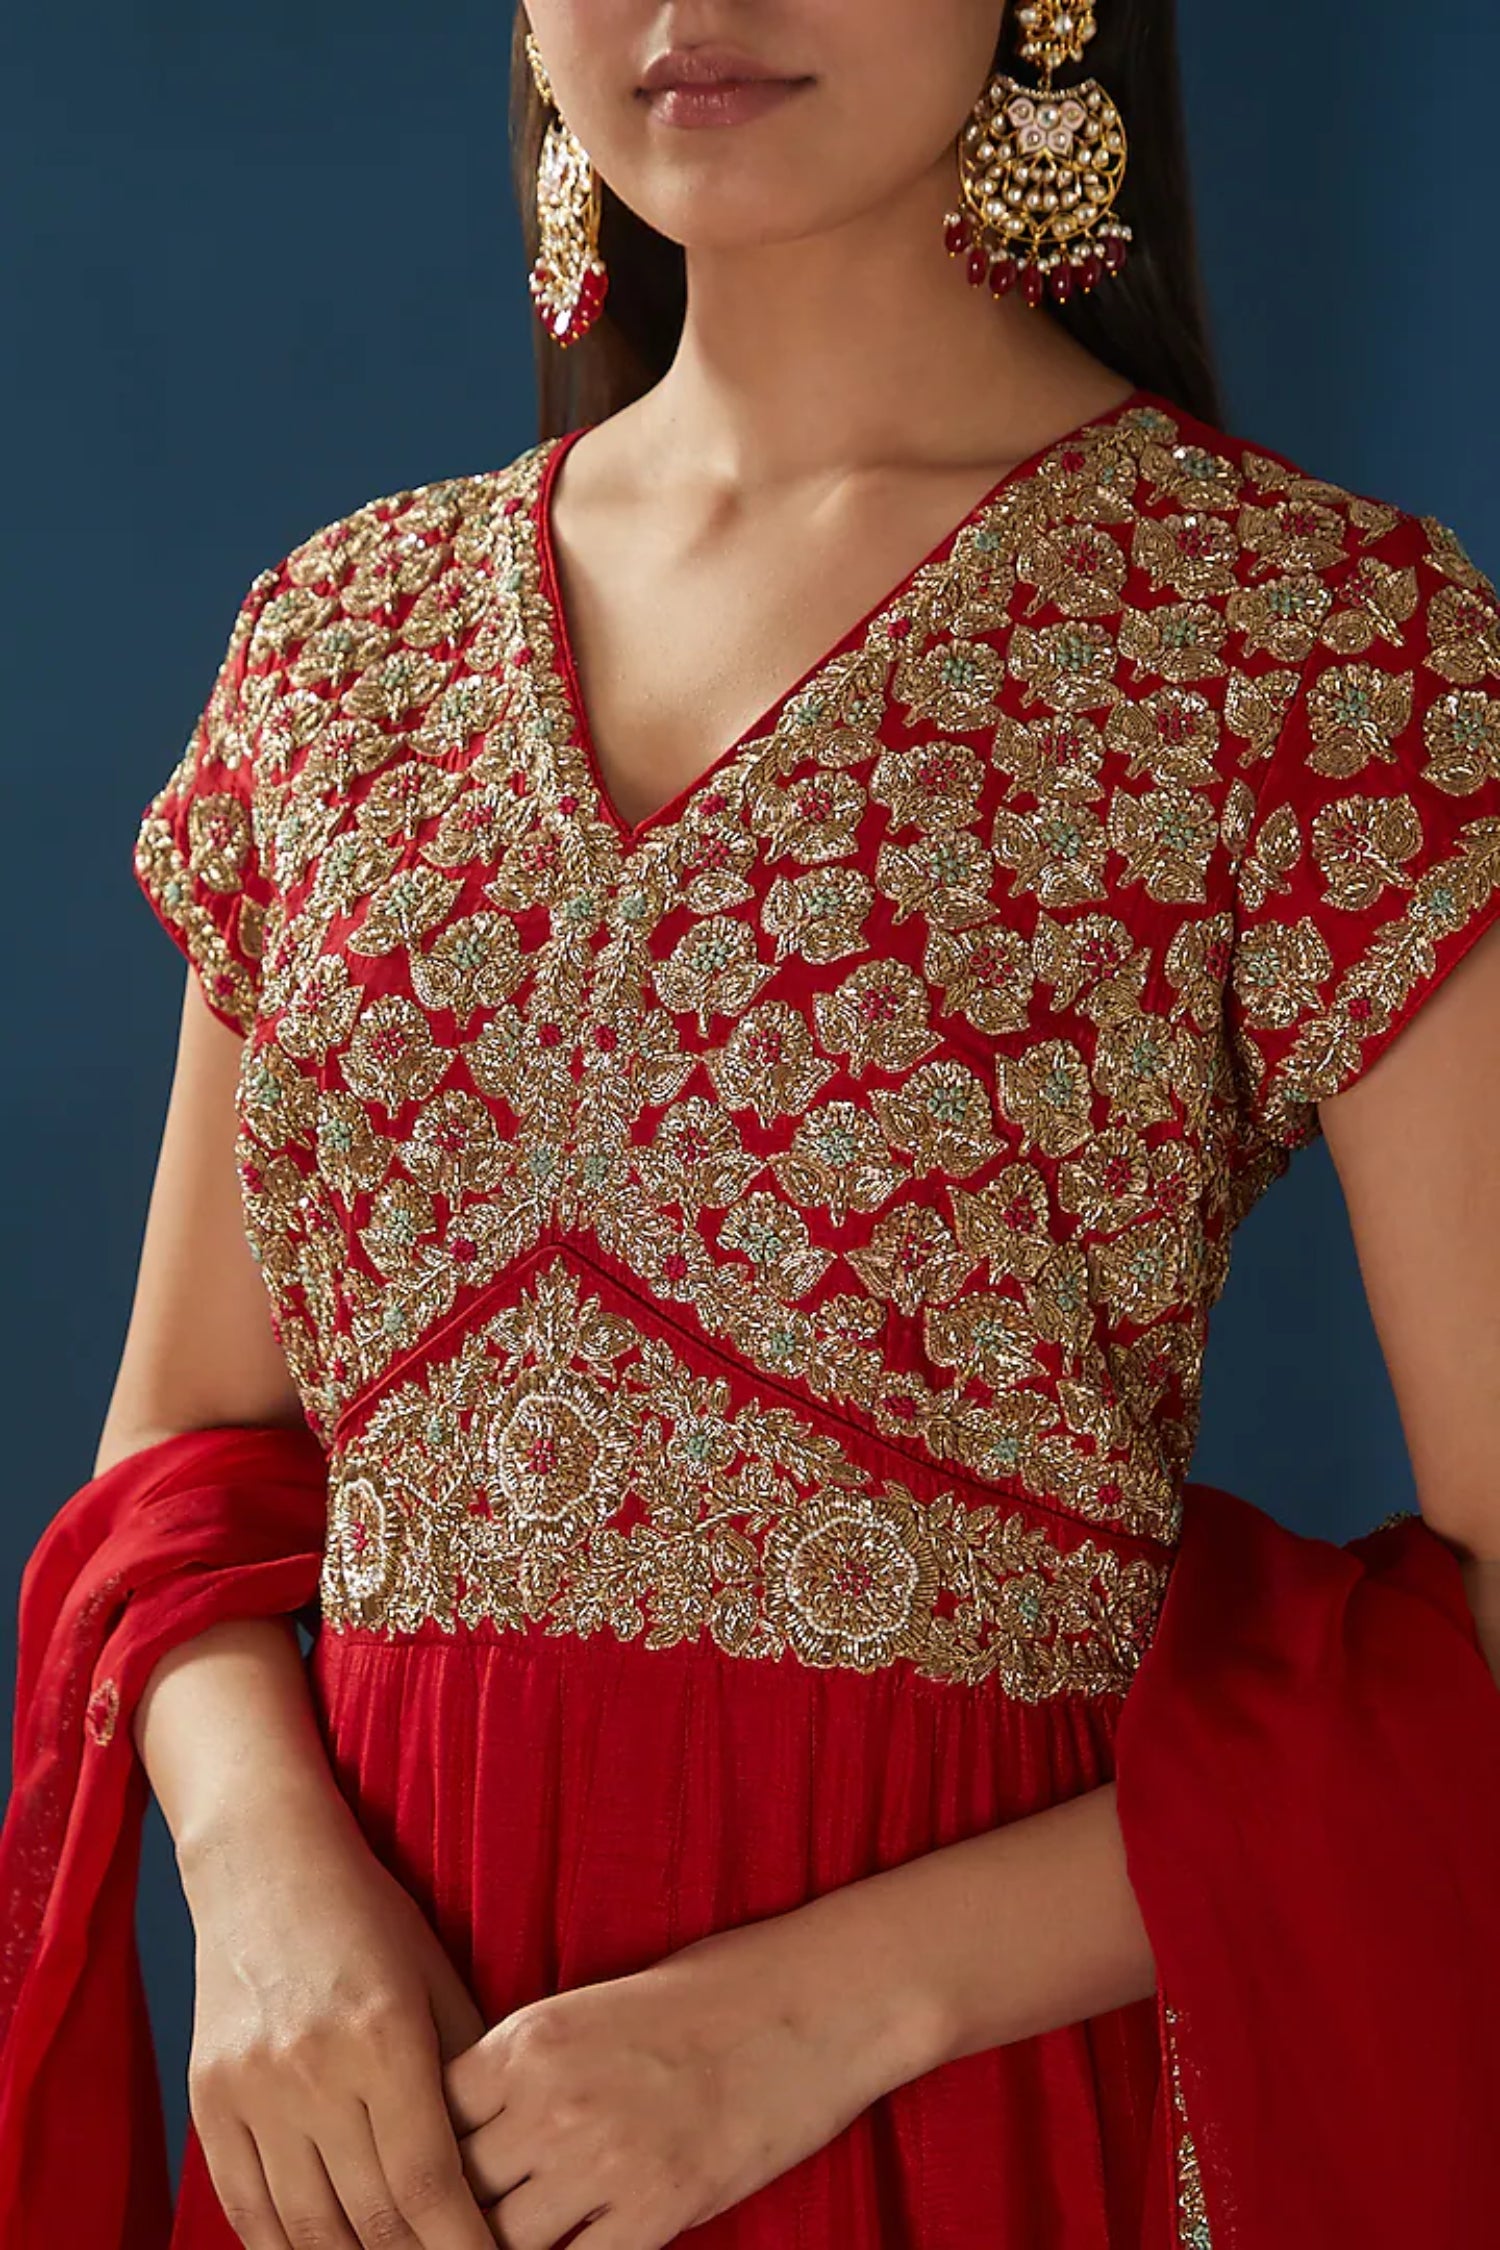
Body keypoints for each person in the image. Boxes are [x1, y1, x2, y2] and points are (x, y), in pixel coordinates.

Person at [4, 3, 1500, 2246]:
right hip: (387, 2123)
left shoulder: (1308, 643)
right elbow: (187, 1441)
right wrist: (261, 1872)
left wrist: (831, 2013)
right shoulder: (342, 645)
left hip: (950, 2119)